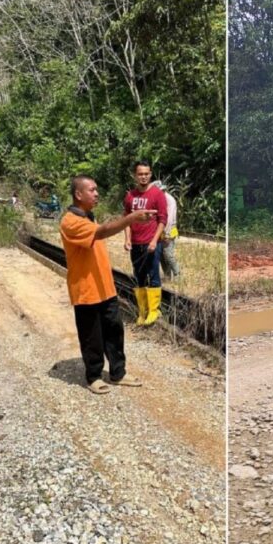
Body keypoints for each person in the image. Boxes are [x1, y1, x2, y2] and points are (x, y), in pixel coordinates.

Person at [60, 175, 156, 394]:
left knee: (114, 331)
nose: (96, 193)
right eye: (92, 190)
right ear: (78, 194)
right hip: (86, 290)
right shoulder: (70, 222)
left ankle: (118, 373)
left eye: (96, 189)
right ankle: (93, 376)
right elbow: (101, 232)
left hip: (105, 287)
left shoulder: (88, 217)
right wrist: (131, 219)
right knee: (91, 335)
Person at [123, 161, 168, 326]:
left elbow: (163, 219)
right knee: (139, 276)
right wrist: (127, 239)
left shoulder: (157, 195)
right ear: (135, 176)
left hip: (151, 243)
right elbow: (126, 219)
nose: (143, 177)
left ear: (151, 174)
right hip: (135, 243)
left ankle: (154, 311)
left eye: (146, 174)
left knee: (154, 276)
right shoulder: (130, 197)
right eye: (140, 174)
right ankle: (142, 312)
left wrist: (155, 240)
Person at [153, 180, 181, 280]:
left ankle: (177, 274)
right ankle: (167, 275)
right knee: (161, 255)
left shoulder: (170, 200)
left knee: (168, 255)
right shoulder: (159, 200)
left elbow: (169, 219)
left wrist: (167, 234)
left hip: (169, 231)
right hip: (160, 231)